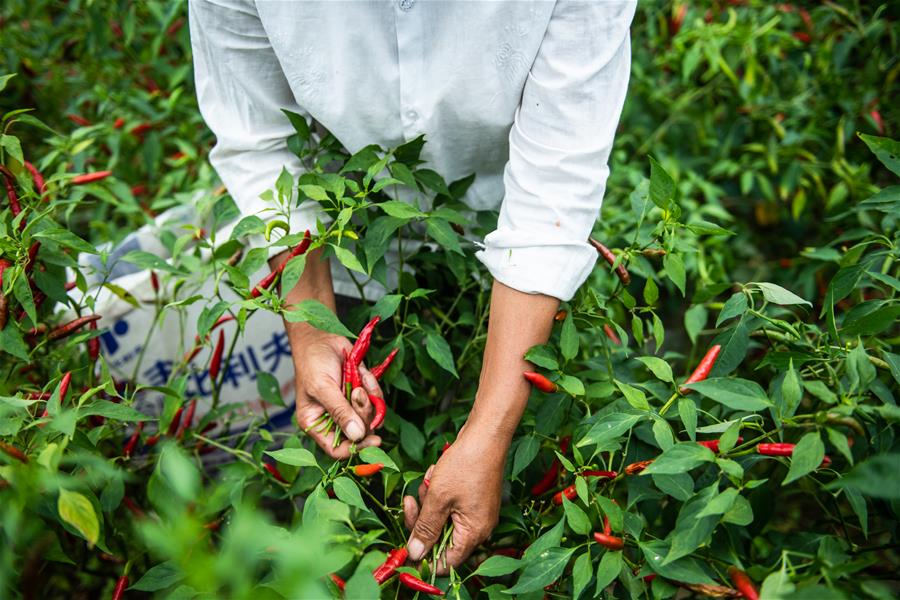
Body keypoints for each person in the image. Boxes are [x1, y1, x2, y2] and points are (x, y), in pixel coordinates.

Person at [189, 0, 635, 572]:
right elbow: (259, 140)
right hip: (336, 242)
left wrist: (491, 431)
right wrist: (310, 333)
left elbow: (554, 184)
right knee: (334, 494)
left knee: (486, 494)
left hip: (501, 247)